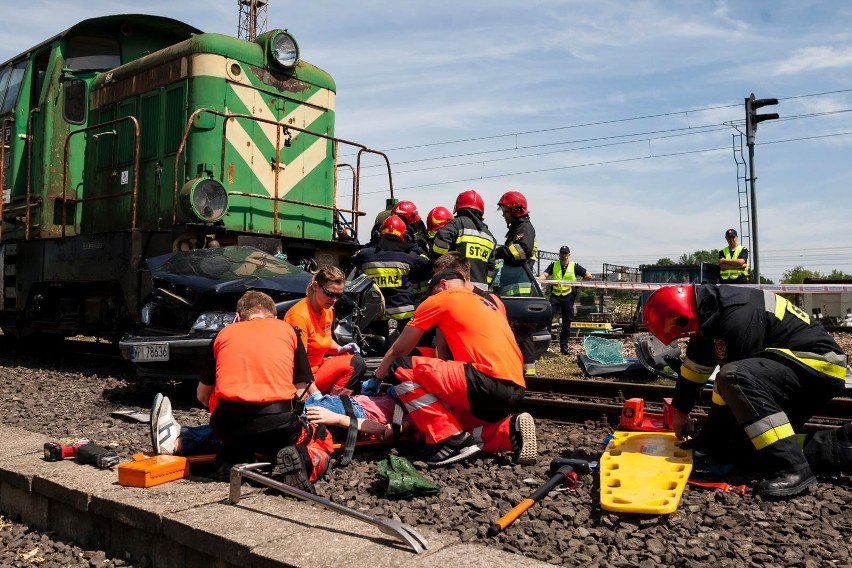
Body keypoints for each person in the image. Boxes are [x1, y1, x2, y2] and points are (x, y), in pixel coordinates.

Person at [643, 284, 852, 497]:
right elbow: (693, 371)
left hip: (817, 365)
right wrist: (681, 412)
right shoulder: (709, 317)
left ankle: (794, 468)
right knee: (748, 450)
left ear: (681, 319)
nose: (684, 336)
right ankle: (842, 446)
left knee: (733, 379)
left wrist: (711, 441)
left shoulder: (738, 316)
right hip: (795, 366)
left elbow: (733, 387)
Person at [373, 254, 537, 467]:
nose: (431, 296)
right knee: (459, 425)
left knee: (401, 367)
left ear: (443, 283)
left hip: (482, 381)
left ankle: (449, 439)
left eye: (433, 290)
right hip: (514, 389)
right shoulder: (493, 301)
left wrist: (377, 378)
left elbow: (399, 350)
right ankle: (508, 430)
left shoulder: (442, 299)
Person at [185, 290, 333, 492]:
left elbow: (202, 395)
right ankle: (306, 461)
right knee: (322, 438)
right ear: (274, 318)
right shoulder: (287, 330)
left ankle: (233, 458)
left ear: (238, 318)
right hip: (277, 424)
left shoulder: (223, 334)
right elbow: (302, 390)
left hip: (227, 425)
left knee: (234, 431)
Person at [150, 390, 414, 457]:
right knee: (263, 413)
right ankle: (184, 435)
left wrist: (337, 419)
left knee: (267, 423)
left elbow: (388, 433)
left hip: (338, 416)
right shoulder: (416, 396)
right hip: (336, 404)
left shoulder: (419, 414)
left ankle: (180, 441)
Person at [284, 266, 367, 395]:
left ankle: (336, 402)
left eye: (339, 295)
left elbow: (324, 340)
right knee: (356, 363)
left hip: (318, 368)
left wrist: (340, 348)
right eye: (330, 294)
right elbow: (299, 365)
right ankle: (330, 404)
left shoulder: (327, 310)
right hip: (302, 380)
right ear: (315, 286)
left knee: (352, 359)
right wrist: (314, 392)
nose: (334, 300)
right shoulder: (299, 316)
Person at [351, 214, 431, 336]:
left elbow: (353, 263)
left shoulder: (365, 255)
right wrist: (414, 245)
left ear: (379, 233)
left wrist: (372, 243)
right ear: (403, 235)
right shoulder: (410, 257)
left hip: (374, 317)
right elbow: (427, 264)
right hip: (403, 317)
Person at [494, 190, 539, 377]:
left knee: (522, 329)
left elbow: (521, 252)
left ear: (516, 210)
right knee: (517, 329)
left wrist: (498, 251)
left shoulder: (524, 228)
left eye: (505, 211)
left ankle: (528, 371)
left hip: (521, 285)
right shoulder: (517, 228)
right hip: (514, 285)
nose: (504, 215)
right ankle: (522, 368)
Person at [431, 189, 496, 291]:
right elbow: (491, 269)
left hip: (457, 287)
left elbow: (440, 246)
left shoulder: (456, 224)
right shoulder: (489, 236)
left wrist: (436, 264)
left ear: (459, 208)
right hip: (481, 292)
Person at [537, 245, 592, 355]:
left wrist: (577, 285)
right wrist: (539, 279)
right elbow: (545, 275)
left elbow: (588, 275)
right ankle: (545, 346)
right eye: (562, 253)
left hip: (568, 296)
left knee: (567, 322)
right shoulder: (554, 265)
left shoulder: (574, 266)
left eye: (565, 253)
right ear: (559, 254)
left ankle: (564, 348)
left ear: (569, 255)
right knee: (548, 317)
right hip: (555, 296)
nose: (563, 255)